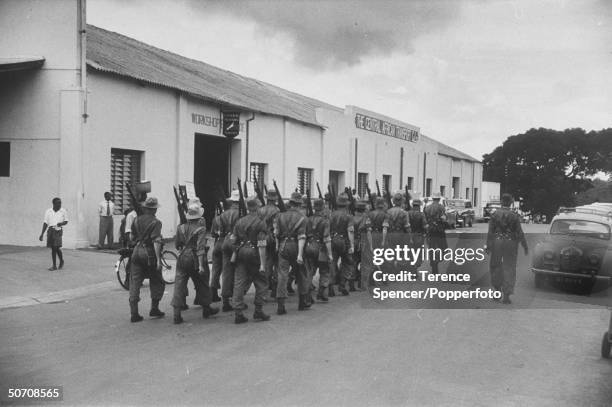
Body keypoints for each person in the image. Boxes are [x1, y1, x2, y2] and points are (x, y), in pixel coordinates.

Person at [171, 203, 219, 324]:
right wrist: (201, 265)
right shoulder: (201, 229)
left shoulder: (180, 228)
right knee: (202, 282)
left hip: (182, 257)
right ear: (199, 218)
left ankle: (177, 314)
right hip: (196, 258)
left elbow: (177, 245)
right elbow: (201, 248)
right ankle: (206, 309)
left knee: (179, 284)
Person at [230, 196, 271, 324]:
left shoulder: (240, 221)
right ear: (257, 207)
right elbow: (262, 244)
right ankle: (258, 311)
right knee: (261, 282)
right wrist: (263, 265)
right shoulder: (261, 222)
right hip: (254, 254)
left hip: (241, 252)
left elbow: (233, 239)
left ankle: (238, 313)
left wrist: (237, 250)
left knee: (239, 282)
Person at [486, 193, 528, 304]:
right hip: (510, 244)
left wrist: (488, 246)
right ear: (510, 203)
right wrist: (524, 245)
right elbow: (519, 232)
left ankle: (497, 291)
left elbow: (491, 232)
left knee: (496, 266)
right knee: (509, 267)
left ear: (501, 202)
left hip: (497, 243)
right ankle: (506, 295)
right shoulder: (514, 216)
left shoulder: (495, 215)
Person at [128, 197, 165, 323]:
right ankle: (154, 308)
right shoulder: (156, 222)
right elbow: (156, 242)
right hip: (149, 253)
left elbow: (132, 236)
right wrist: (159, 260)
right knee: (157, 280)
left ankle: (134, 313)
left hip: (136, 251)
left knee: (135, 282)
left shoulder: (137, 219)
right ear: (154, 210)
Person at [274, 191, 308, 313]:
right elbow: (302, 237)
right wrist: (299, 254)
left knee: (282, 275)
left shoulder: (279, 216)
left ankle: (281, 305)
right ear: (299, 204)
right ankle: (302, 302)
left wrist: (278, 246)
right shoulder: (303, 218)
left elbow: (276, 234)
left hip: (283, 246)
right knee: (301, 274)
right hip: (296, 246)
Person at [304, 198, 333, 301]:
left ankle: (306, 294)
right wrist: (330, 254)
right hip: (322, 248)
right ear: (323, 207)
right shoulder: (325, 221)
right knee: (325, 270)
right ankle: (322, 293)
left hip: (309, 246)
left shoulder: (308, 219)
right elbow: (327, 238)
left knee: (309, 272)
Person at [218, 191, 241, 312]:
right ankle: (236, 299)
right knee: (239, 271)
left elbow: (221, 232)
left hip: (225, 241)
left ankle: (225, 300)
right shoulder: (240, 214)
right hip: (235, 242)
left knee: (226, 272)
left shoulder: (223, 214)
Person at [329, 193, 355, 296]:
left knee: (332, 263)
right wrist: (352, 245)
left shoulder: (331, 214)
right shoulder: (349, 216)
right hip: (344, 241)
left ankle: (330, 286)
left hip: (332, 240)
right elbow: (350, 231)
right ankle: (342, 284)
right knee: (348, 263)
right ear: (346, 204)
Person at [361, 196, 389, 289]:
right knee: (383, 259)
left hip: (372, 236)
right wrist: (383, 241)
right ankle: (384, 279)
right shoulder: (385, 215)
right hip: (381, 236)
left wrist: (370, 244)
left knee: (372, 259)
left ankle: (371, 280)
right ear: (383, 204)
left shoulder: (370, 214)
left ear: (376, 204)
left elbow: (368, 230)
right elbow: (385, 228)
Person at [258, 189, 281, 299]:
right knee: (276, 263)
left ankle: (264, 292)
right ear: (275, 199)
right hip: (272, 238)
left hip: (262, 238)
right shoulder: (277, 210)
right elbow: (276, 227)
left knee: (266, 263)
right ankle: (274, 290)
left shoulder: (260, 210)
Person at [385, 192, 412, 271]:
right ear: (402, 201)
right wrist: (410, 237)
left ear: (393, 201)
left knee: (391, 252)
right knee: (400, 253)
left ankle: (392, 269)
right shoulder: (404, 212)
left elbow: (385, 225)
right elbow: (407, 226)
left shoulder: (388, 211)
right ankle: (398, 269)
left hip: (390, 234)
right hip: (401, 234)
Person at [39, 197, 68, 270]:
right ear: (54, 204)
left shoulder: (63, 211)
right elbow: (45, 223)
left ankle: (54, 265)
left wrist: (61, 223)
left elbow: (66, 221)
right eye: (58, 203)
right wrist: (42, 234)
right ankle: (61, 260)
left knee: (55, 247)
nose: (60, 204)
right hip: (51, 230)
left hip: (58, 230)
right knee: (54, 247)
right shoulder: (48, 211)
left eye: (60, 203)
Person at [423, 192, 447, 275]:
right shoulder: (441, 207)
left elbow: (425, 220)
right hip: (440, 231)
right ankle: (437, 261)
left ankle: (433, 263)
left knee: (431, 248)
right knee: (443, 248)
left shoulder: (427, 208)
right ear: (439, 198)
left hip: (430, 230)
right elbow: (444, 219)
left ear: (432, 198)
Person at [352, 200, 369, 291]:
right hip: (363, 243)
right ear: (364, 209)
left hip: (353, 242)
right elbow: (369, 232)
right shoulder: (366, 218)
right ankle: (362, 284)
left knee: (353, 263)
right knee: (364, 264)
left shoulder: (352, 217)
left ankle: (351, 285)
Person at [408, 199, 427, 268]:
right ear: (419, 206)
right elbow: (424, 226)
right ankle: (416, 266)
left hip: (409, 236)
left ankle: (412, 267)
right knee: (419, 253)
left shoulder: (407, 213)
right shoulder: (421, 214)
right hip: (419, 236)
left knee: (410, 253)